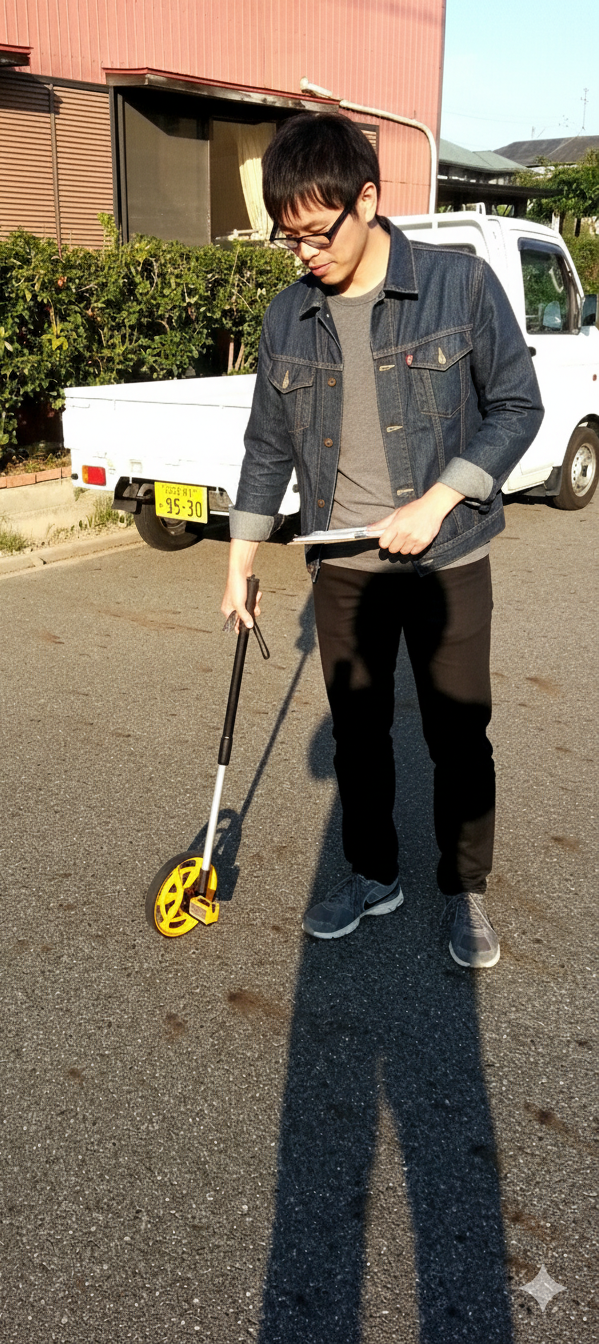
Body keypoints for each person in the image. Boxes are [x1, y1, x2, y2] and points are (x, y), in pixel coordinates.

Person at [220, 112, 544, 969]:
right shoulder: (288, 317)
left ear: (367, 200)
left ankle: (464, 888)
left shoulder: (457, 286)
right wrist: (241, 560)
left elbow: (518, 407)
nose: (304, 254)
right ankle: (374, 875)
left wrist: (439, 499)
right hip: (343, 564)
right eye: (287, 238)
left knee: (457, 736)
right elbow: (267, 447)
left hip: (447, 559)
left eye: (316, 233)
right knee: (359, 739)